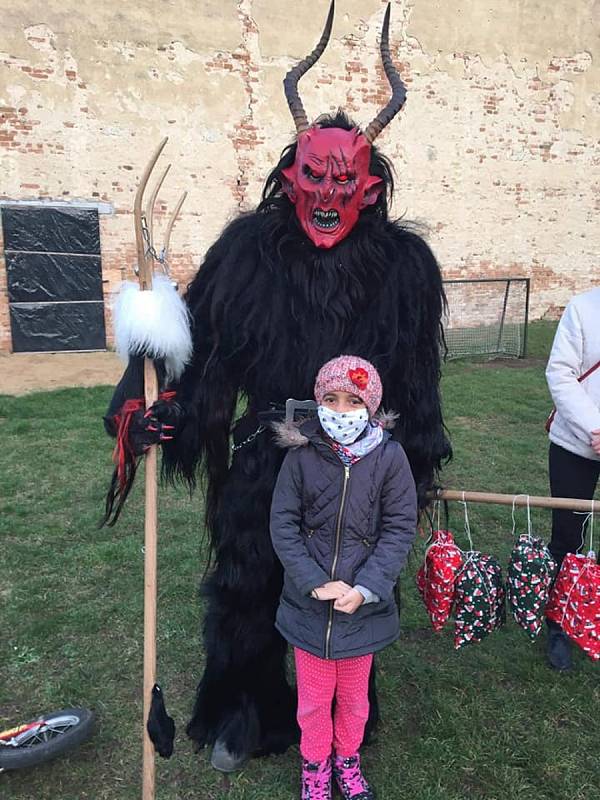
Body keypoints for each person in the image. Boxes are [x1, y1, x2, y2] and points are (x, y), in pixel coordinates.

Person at [103, 3, 450, 771]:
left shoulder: (403, 268)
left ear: (366, 183)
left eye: (342, 181)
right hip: (264, 454)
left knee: (351, 585)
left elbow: (417, 379)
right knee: (248, 582)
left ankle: (343, 722)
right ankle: (244, 712)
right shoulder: (247, 252)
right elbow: (197, 352)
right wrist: (163, 412)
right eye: (313, 178)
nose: (326, 197)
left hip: (359, 461)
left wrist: (414, 462)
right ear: (291, 173)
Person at [270, 355, 417, 800]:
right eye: (330, 399)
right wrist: (313, 581)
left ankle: (347, 762)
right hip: (309, 612)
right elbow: (283, 524)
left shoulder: (390, 458)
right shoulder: (300, 458)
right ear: (318, 403)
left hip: (360, 612)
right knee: (313, 702)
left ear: (370, 406)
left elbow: (399, 526)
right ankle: (315, 768)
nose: (340, 409)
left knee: (354, 701)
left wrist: (368, 587)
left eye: (353, 400)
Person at [545, 286, 600, 670]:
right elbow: (561, 373)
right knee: (568, 535)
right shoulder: (582, 307)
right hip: (575, 443)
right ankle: (559, 622)